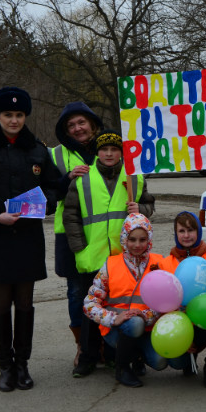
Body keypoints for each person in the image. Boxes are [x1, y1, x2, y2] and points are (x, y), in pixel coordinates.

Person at [0, 87, 60, 392]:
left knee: (25, 303)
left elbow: (54, 186)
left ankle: (22, 365)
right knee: (2, 304)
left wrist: (43, 205)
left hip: (28, 237)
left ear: (25, 116)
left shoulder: (38, 150)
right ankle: (5, 366)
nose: (14, 120)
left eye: (19, 114)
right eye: (8, 114)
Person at [63, 130, 155, 377]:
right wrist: (79, 247)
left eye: (115, 149)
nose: (109, 154)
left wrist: (140, 208)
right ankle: (88, 357)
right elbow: (70, 216)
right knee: (91, 311)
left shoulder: (134, 178)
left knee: (120, 307)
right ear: (98, 153)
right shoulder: (83, 179)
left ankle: (117, 356)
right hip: (91, 255)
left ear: (121, 153)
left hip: (123, 257)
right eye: (105, 149)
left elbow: (149, 205)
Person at [83, 213, 188, 387]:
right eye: (132, 239)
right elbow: (89, 304)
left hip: (147, 328)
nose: (137, 245)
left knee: (160, 362)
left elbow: (170, 302)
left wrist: (146, 315)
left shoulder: (160, 263)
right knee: (134, 324)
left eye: (142, 240)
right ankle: (122, 369)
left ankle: (136, 357)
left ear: (149, 240)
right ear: (124, 239)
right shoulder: (110, 265)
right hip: (117, 330)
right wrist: (113, 318)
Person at [51, 101, 103, 367]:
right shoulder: (56, 155)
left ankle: (107, 345)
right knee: (76, 291)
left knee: (108, 290)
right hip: (70, 234)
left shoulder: (110, 147)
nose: (77, 128)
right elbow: (48, 193)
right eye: (71, 125)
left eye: (81, 122)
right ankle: (83, 347)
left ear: (92, 123)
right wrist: (67, 178)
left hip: (105, 233)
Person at [161, 211, 206, 387]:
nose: (186, 235)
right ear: (175, 234)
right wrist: (185, 335)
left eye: (191, 230)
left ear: (198, 232)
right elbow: (166, 303)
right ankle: (190, 355)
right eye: (181, 231)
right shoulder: (166, 263)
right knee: (179, 363)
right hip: (181, 322)